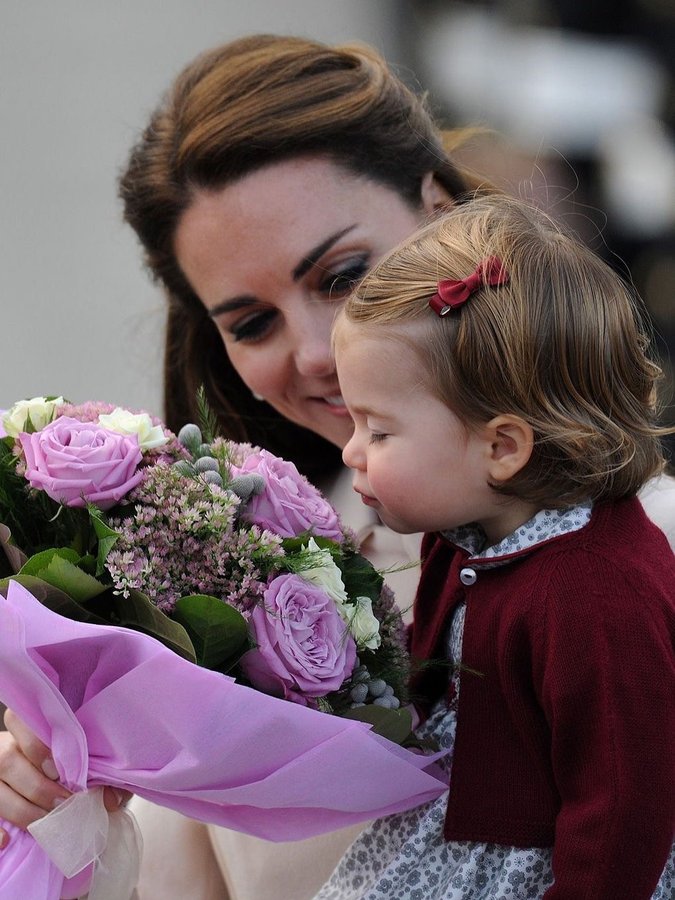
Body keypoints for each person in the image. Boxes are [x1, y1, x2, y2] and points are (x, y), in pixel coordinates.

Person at [0, 33, 673, 900]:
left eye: (344, 273)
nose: (316, 353)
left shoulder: (627, 554)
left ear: (442, 213)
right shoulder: (225, 591)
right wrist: (65, 788)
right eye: (250, 324)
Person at [321, 194, 675, 899]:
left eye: (378, 430)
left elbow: (625, 802)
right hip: (455, 829)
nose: (352, 452)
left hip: (542, 866)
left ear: (501, 446)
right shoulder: (472, 534)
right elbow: (449, 657)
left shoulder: (594, 593)